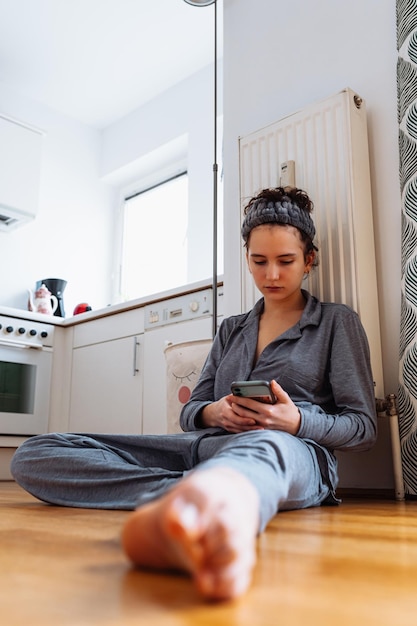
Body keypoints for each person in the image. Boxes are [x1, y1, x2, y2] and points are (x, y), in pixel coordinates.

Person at [11, 186, 377, 601]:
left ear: (309, 260)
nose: (271, 274)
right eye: (259, 262)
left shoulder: (335, 323)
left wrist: (296, 422)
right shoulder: (232, 329)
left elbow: (363, 428)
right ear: (247, 259)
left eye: (285, 261)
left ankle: (211, 506)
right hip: (205, 447)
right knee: (38, 453)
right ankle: (194, 493)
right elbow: (192, 413)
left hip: (290, 453)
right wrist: (214, 414)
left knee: (266, 445)